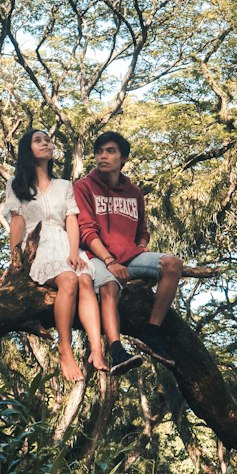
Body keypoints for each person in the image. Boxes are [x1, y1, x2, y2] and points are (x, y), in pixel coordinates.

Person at [2, 128, 109, 381]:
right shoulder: (16, 184)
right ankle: (65, 349)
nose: (45, 143)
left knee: (84, 279)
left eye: (47, 140)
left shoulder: (63, 185)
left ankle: (97, 348)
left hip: (64, 242)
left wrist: (74, 252)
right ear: (27, 150)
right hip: (38, 245)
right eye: (37, 140)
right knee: (69, 280)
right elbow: (17, 224)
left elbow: (72, 221)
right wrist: (15, 261)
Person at [74, 131, 183, 374]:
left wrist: (140, 248)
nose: (103, 156)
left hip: (130, 256)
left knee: (173, 264)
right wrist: (110, 260)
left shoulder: (134, 192)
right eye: (99, 152)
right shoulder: (83, 187)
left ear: (123, 158)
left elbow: (143, 230)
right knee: (109, 286)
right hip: (95, 255)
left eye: (110, 151)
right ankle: (116, 349)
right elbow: (86, 231)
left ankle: (152, 332)